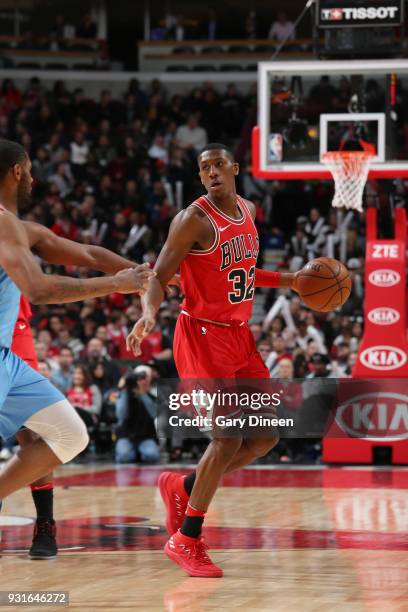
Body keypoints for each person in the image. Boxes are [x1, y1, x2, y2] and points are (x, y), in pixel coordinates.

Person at [127, 142, 300, 577]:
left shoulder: (248, 209)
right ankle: (187, 539)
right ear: (201, 177)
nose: (212, 172)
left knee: (264, 439)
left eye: (219, 164)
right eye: (204, 168)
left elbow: (240, 271)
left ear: (235, 168)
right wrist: (148, 312)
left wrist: (291, 279)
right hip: (201, 337)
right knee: (226, 440)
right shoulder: (192, 220)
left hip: (240, 337)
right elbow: (158, 276)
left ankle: (182, 486)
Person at [0, 138, 155, 534]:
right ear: (17, 171)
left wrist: (145, 276)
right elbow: (38, 289)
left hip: (8, 360)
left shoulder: (19, 228)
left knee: (69, 433)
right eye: (30, 170)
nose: (34, 179)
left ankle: (39, 520)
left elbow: (88, 254)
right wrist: (115, 285)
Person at [115, 365, 160, 464]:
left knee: (152, 456)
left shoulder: (153, 395)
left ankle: (138, 453)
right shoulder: (124, 394)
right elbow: (121, 415)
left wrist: (142, 394)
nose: (142, 381)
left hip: (145, 436)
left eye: (145, 378)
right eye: (139, 378)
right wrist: (124, 390)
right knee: (124, 457)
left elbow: (153, 413)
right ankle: (134, 453)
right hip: (126, 436)